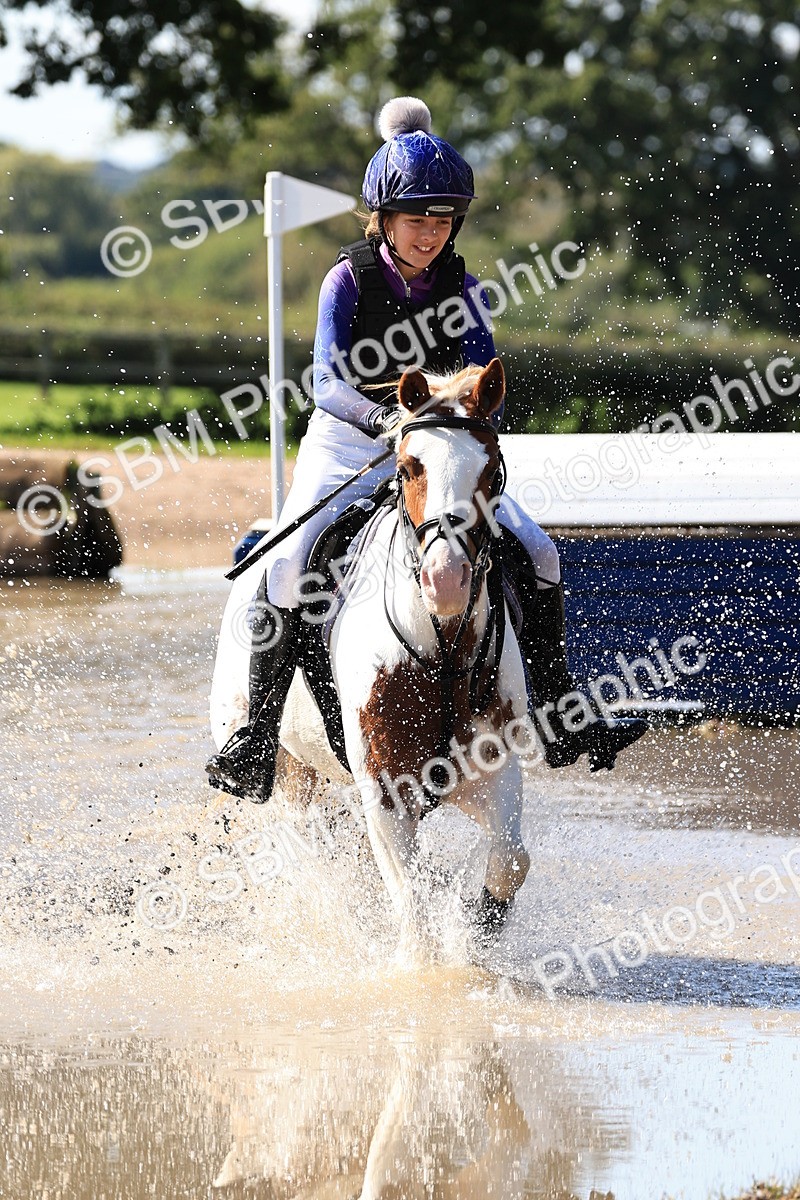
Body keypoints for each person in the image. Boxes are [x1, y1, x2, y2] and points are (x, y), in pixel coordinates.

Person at [207, 96, 646, 803]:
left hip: (438, 451)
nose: (430, 233)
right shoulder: (347, 279)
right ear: (382, 218)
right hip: (350, 445)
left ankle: (558, 713)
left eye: (442, 221)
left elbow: (481, 375)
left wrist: (454, 419)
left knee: (540, 552)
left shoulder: (464, 289)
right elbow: (324, 380)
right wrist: (385, 419)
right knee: (287, 565)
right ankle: (255, 740)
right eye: (417, 220)